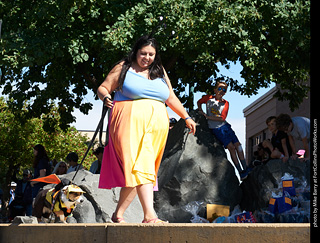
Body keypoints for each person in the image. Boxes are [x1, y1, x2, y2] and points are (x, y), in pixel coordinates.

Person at [97, 35, 196, 224]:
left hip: (156, 128)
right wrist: (105, 96)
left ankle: (118, 214)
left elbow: (171, 98)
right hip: (128, 122)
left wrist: (187, 116)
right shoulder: (124, 67)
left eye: (151, 54)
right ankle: (150, 215)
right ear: (136, 52)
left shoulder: (159, 71)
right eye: (143, 53)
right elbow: (103, 87)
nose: (147, 58)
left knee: (143, 169)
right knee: (141, 166)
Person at [197, 81, 249, 180]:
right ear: (215, 90)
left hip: (225, 126)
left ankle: (245, 168)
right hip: (217, 129)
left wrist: (207, 116)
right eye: (220, 88)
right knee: (231, 148)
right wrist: (201, 110)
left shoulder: (225, 103)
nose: (222, 91)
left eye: (224, 90)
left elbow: (222, 118)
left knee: (238, 146)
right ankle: (240, 171)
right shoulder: (208, 99)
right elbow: (199, 102)